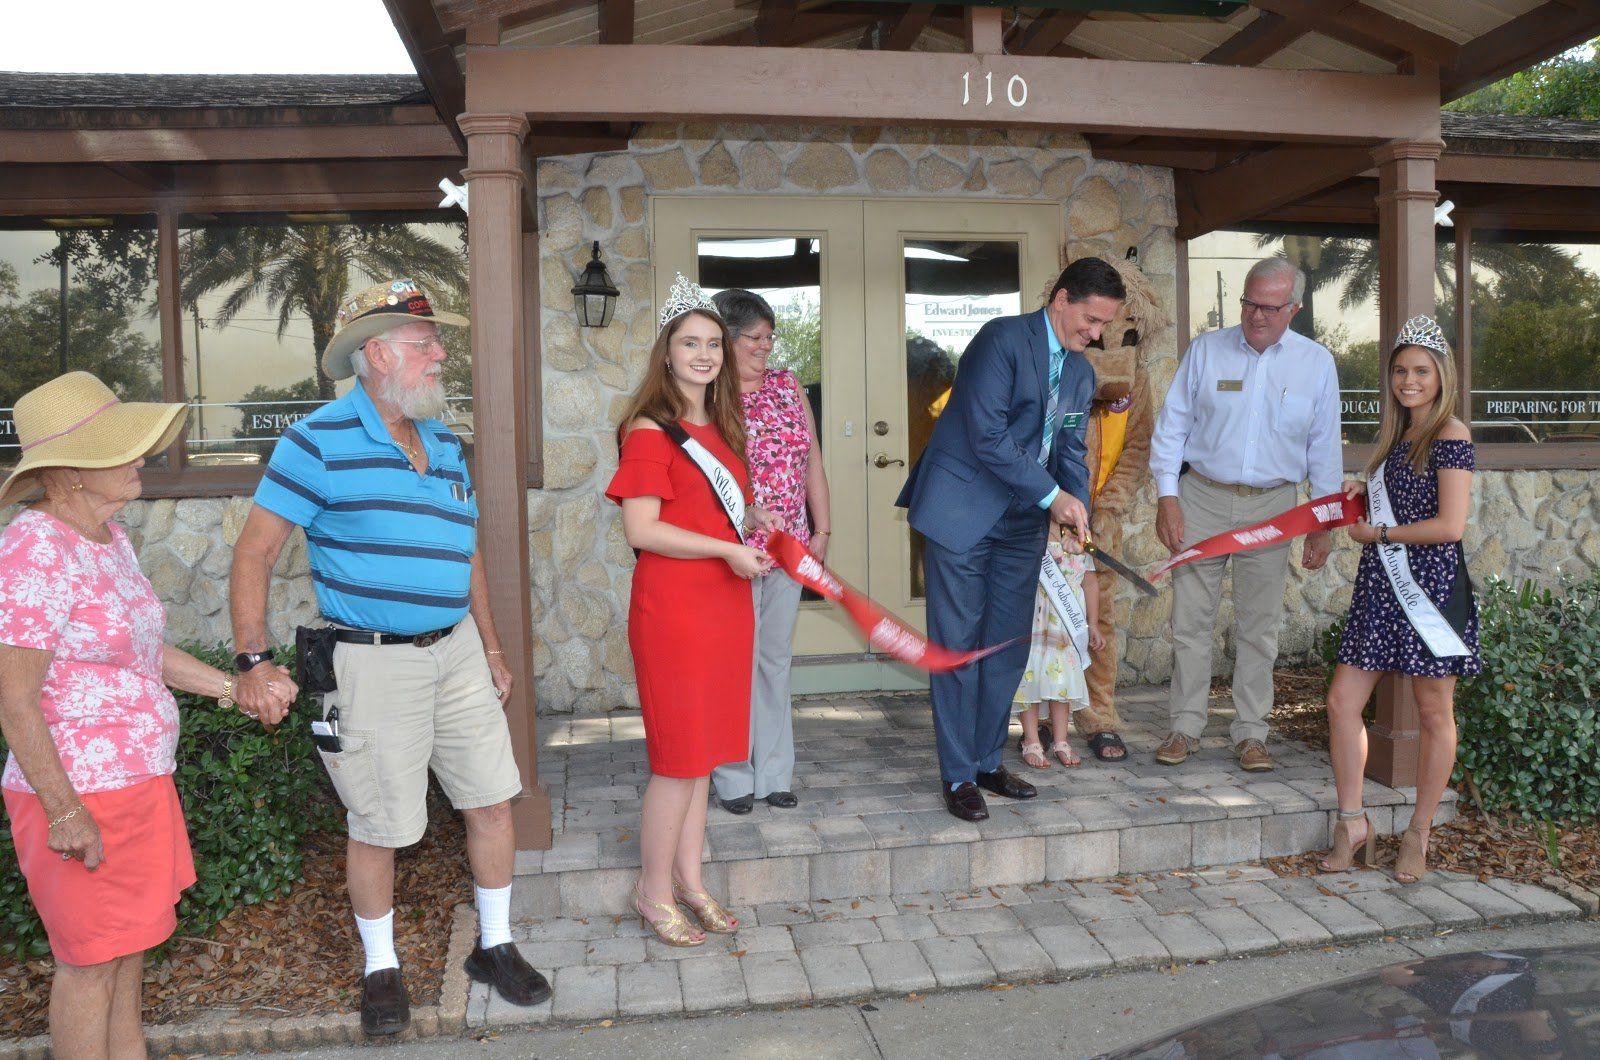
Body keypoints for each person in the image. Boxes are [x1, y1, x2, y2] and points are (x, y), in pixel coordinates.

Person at [229, 279, 549, 1036]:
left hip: (459, 654)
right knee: (376, 823)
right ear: (376, 354)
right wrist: (252, 660)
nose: (441, 354)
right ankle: (382, 967)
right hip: (369, 663)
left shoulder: (442, 442)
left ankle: (494, 946)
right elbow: (255, 553)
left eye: (437, 341)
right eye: (423, 343)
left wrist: (493, 647)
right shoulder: (315, 441)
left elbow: (461, 550)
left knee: (491, 800)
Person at [0, 373, 296, 1060]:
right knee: (90, 966)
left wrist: (236, 687)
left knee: (128, 958)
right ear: (69, 472)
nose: (140, 459)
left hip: (138, 785)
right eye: (121, 450)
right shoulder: (34, 550)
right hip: (78, 797)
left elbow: (144, 652)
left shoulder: (108, 537)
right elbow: (15, 701)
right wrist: (64, 811)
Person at [897, 257, 1124, 821]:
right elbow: (988, 436)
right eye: (1091, 320)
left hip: (1022, 523)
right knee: (959, 649)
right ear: (1062, 298)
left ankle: (984, 761)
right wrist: (1055, 499)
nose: (1094, 335)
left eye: (1103, 326)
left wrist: (1079, 514)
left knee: (1005, 648)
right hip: (962, 514)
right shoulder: (1000, 339)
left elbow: (1070, 451)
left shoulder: (1079, 372)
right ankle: (956, 776)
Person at [607, 275, 777, 945]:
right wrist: (724, 549)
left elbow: (704, 508)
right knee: (678, 761)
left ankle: (691, 879)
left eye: (713, 343)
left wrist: (749, 518)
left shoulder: (719, 423)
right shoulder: (651, 430)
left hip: (722, 604)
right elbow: (642, 530)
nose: (704, 355)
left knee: (704, 757)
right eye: (690, 343)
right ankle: (652, 892)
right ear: (668, 353)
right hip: (676, 607)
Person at [1149, 256, 1341, 772]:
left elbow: (1324, 450)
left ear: (1294, 308)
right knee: (1191, 622)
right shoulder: (1206, 351)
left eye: (1270, 307)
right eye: (1250, 303)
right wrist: (1168, 496)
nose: (1257, 315)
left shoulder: (1316, 363)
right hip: (1202, 498)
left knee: (1260, 626)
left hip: (1274, 505)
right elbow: (1172, 428)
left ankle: (1251, 733)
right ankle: (1184, 727)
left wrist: (1323, 524)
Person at [1319, 315, 1478, 885]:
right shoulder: (1395, 438)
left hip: (1430, 590)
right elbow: (1406, 500)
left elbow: (1451, 525)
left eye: (1420, 371)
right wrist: (1365, 491)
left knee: (1434, 711)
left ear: (1441, 376)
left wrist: (1380, 534)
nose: (1408, 381)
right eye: (1400, 371)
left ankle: (1419, 831)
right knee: (1342, 702)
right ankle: (1352, 822)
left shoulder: (1451, 434)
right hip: (1382, 586)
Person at [707, 289, 831, 815]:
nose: (765, 346)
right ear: (726, 340)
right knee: (731, 663)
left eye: (769, 336)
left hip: (789, 547)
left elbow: (812, 463)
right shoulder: (708, 395)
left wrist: (821, 531)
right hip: (731, 551)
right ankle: (733, 775)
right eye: (754, 338)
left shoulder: (787, 386)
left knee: (775, 659)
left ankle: (775, 772)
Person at [1013, 527, 1103, 769]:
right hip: (1033, 618)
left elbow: (1091, 582)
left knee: (1062, 679)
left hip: (1064, 626)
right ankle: (1031, 740)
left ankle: (1061, 741)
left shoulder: (1082, 537)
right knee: (1030, 675)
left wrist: (1093, 623)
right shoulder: (1029, 530)